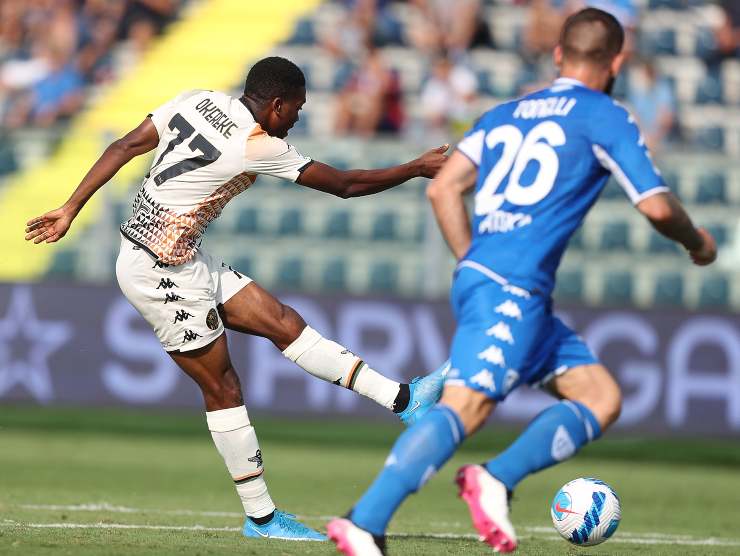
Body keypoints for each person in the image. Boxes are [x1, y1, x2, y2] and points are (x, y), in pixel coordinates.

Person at [327, 8, 717, 554]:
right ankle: (364, 522)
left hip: (499, 280)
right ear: (617, 61)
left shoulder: (504, 113)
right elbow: (655, 208)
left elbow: (442, 190)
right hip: (510, 285)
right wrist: (697, 241)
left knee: (599, 397)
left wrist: (472, 262)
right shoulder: (605, 115)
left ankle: (496, 478)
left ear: (558, 55)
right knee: (465, 407)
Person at [25, 56, 449, 542]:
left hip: (181, 256)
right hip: (159, 271)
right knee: (223, 388)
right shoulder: (258, 145)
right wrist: (417, 167)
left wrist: (69, 208)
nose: (297, 118)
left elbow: (125, 145)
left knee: (282, 322)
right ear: (276, 104)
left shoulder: (198, 98)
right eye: (296, 109)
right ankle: (263, 518)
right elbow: (346, 186)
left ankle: (402, 399)